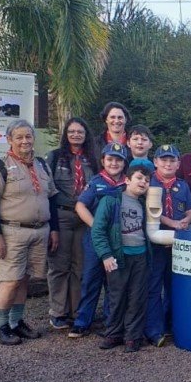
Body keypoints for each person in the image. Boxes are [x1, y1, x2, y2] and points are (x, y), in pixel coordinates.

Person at [0, 119, 60, 345]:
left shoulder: (42, 165)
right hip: (11, 232)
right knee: (10, 280)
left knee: (24, 279)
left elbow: (51, 197)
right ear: (10, 140)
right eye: (19, 137)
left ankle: (16, 322)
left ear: (33, 138)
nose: (25, 141)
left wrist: (54, 229)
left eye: (28, 136)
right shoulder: (0, 166)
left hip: (39, 231)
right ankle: (0, 326)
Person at [91, 159, 153, 353]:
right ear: (127, 180)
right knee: (116, 297)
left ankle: (133, 337)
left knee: (137, 297)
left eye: (147, 180)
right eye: (139, 178)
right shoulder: (111, 200)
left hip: (141, 256)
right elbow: (98, 230)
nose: (143, 182)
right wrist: (106, 255)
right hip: (118, 257)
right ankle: (113, 334)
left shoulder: (146, 204)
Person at [68, 143, 128, 339]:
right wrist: (97, 227)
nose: (114, 163)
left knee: (114, 282)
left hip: (119, 241)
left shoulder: (128, 184)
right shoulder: (96, 182)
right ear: (103, 161)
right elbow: (80, 206)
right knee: (91, 280)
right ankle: (82, 321)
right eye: (110, 159)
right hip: (96, 240)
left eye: (118, 159)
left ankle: (111, 322)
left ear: (124, 163)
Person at [46, 117, 99, 329]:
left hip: (84, 217)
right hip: (62, 215)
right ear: (66, 134)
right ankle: (58, 312)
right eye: (72, 131)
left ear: (86, 135)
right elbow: (48, 191)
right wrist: (52, 226)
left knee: (80, 266)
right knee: (59, 265)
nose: (76, 135)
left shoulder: (93, 158)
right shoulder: (55, 157)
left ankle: (77, 310)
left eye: (80, 131)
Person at [147, 145, 191, 347]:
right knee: (153, 287)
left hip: (177, 245)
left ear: (178, 163)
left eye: (172, 160)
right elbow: (150, 211)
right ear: (155, 162)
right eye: (163, 159)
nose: (168, 163)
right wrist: (173, 224)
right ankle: (153, 330)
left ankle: (171, 326)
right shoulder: (148, 183)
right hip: (156, 244)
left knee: (174, 286)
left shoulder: (182, 186)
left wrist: (187, 220)